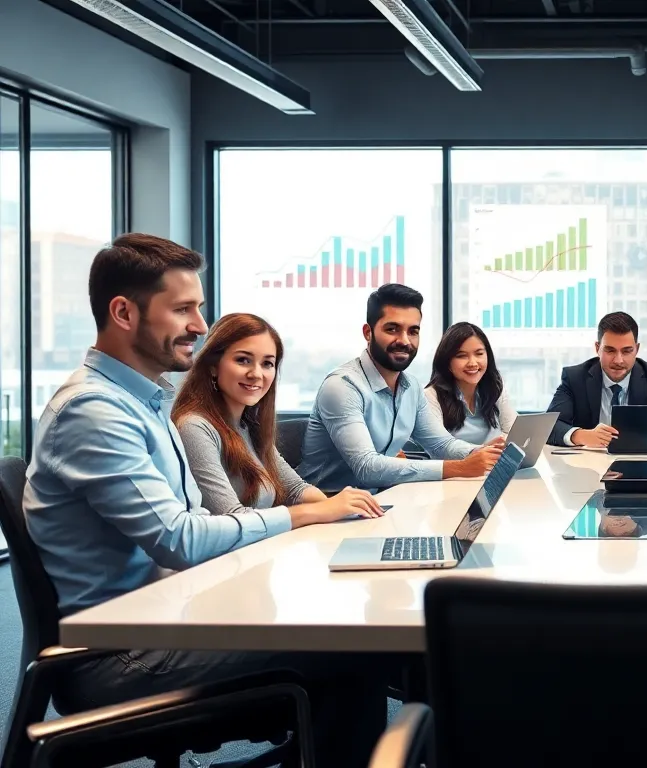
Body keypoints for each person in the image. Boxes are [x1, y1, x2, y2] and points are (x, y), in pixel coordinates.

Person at [22, 234, 393, 767]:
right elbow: (181, 538)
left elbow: (193, 521)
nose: (200, 324)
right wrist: (301, 516)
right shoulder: (94, 411)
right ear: (123, 313)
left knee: (345, 642)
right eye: (183, 309)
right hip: (117, 657)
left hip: (166, 618)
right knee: (354, 648)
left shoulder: (145, 403)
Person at [298, 284, 503, 491]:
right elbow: (367, 468)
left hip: (379, 498)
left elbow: (441, 445)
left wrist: (483, 453)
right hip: (326, 500)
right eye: (392, 329)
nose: (404, 341)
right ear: (368, 333)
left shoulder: (411, 387)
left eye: (413, 331)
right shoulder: (342, 386)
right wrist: (460, 468)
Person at [173, 312, 371, 521]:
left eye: (267, 363)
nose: (256, 374)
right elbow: (231, 520)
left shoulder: (249, 425)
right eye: (243, 360)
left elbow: (295, 490)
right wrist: (325, 510)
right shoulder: (194, 427)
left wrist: (341, 508)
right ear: (213, 366)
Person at [546, 311, 647, 446]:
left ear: (637, 349)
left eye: (626, 351)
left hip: (641, 466)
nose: (618, 360)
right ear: (597, 348)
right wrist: (581, 435)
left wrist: (645, 435)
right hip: (587, 465)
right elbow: (549, 427)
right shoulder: (575, 378)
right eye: (610, 350)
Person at [425, 322, 517, 444]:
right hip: (463, 458)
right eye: (462, 356)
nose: (473, 363)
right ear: (447, 361)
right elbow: (440, 447)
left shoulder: (495, 386)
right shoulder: (431, 396)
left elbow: (514, 432)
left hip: (498, 456)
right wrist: (485, 450)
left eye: (479, 354)